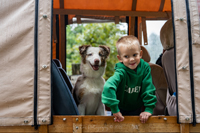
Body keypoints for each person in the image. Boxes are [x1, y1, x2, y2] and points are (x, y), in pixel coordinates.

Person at [102, 35, 157, 123]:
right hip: (119, 109)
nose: (131, 59)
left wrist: (148, 109)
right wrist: (115, 110)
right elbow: (108, 87)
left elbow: (148, 89)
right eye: (126, 56)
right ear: (120, 58)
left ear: (140, 54)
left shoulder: (145, 68)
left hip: (137, 108)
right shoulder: (121, 72)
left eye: (135, 55)